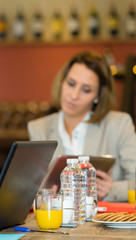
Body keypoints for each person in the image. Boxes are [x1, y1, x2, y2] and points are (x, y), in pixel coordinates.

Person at [28, 51, 136, 202]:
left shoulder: (119, 124)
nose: (74, 95)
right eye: (71, 84)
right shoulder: (39, 128)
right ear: (62, 82)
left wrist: (111, 190)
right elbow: (31, 190)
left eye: (86, 90)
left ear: (98, 96)